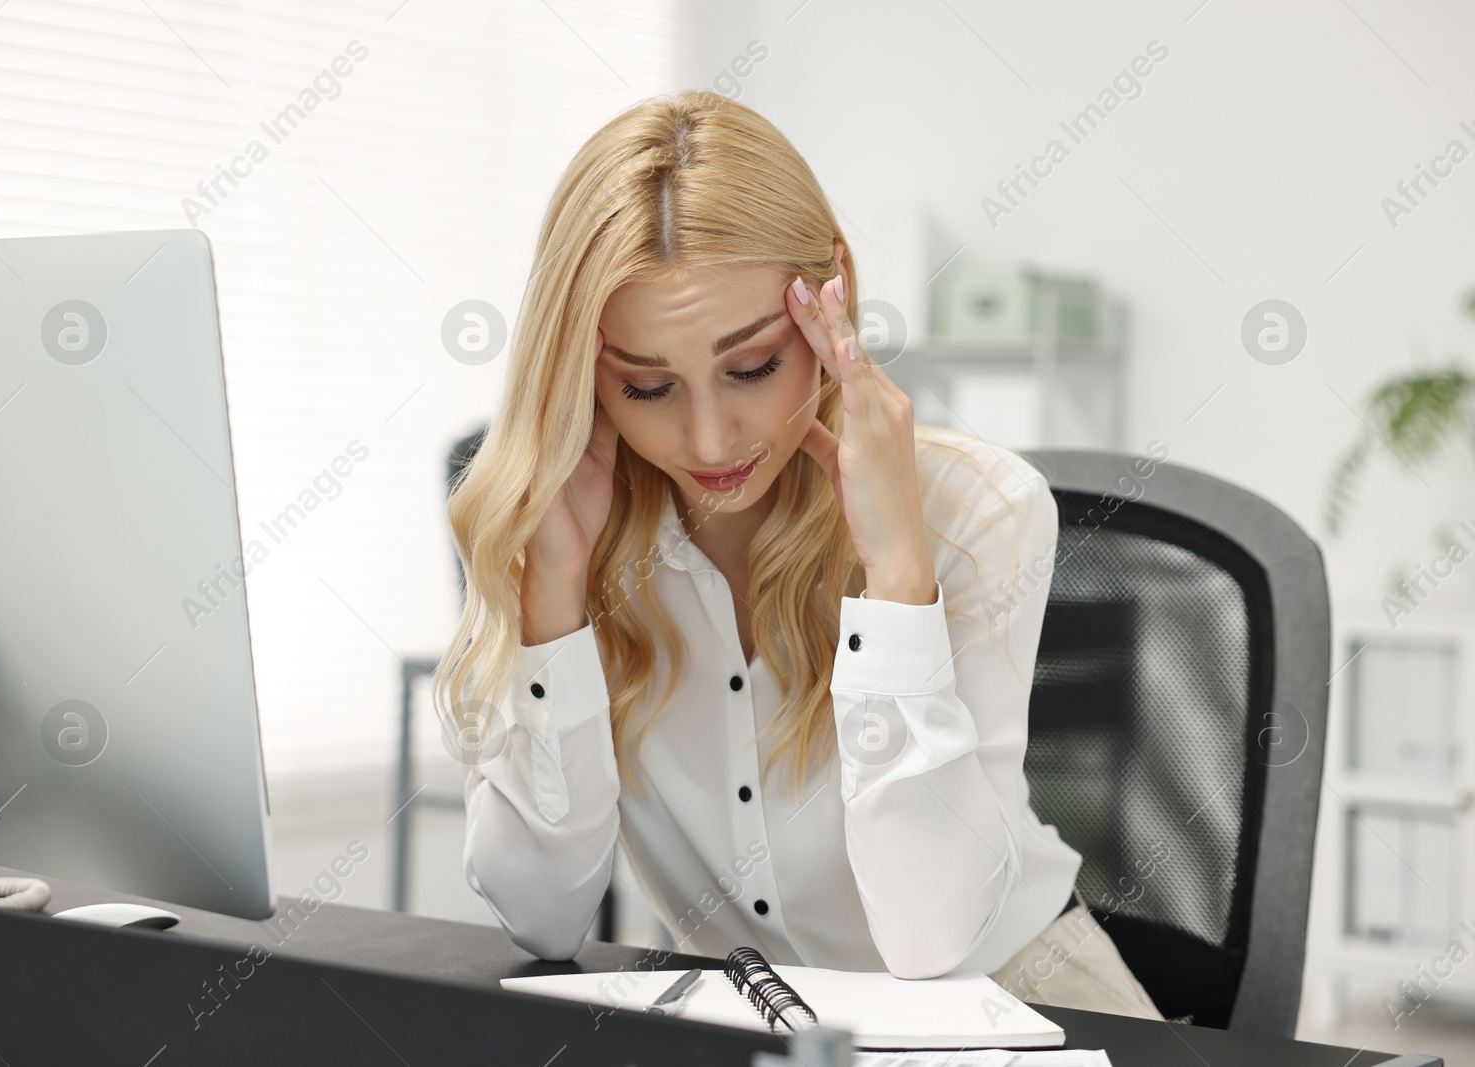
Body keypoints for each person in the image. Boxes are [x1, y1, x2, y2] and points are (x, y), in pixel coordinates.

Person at [434, 88, 1162, 1020]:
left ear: (832, 295)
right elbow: (540, 919)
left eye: (751, 367)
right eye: (648, 387)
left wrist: (900, 579)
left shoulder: (979, 510)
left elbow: (929, 935)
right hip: (755, 1013)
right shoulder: (565, 533)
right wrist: (555, 606)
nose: (708, 438)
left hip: (1015, 996)